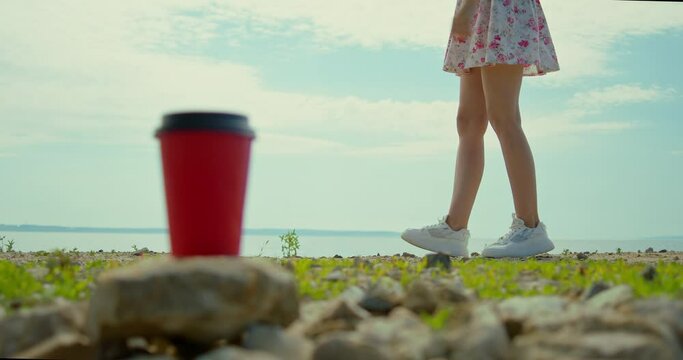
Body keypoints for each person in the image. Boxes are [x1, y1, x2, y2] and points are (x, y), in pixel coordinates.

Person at [401, 0, 560, 258]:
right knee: (469, 121)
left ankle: (531, 227)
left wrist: (465, 10)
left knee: (504, 118)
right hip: (482, 11)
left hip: (500, 8)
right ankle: (454, 228)